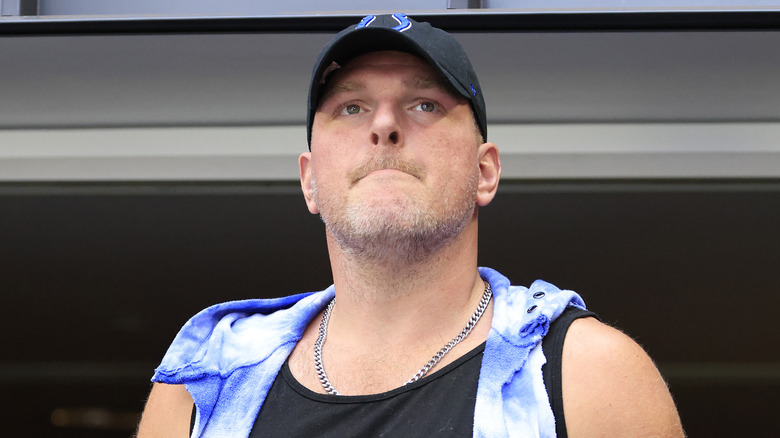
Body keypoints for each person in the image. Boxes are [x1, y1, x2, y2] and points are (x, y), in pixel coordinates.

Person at [137, 13, 684, 437]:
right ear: (309, 181)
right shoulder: (201, 387)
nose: (384, 124)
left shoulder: (586, 375)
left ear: (484, 171)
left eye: (423, 103)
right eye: (350, 107)